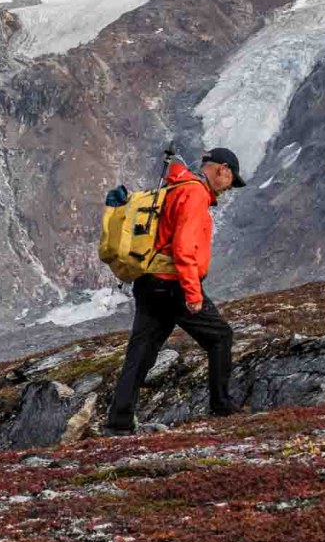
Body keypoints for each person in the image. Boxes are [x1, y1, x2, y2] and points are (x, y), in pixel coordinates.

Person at [103, 147, 245, 434]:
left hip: (148, 282)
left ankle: (119, 420)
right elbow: (183, 248)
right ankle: (222, 405)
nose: (228, 189)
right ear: (223, 170)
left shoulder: (175, 187)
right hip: (174, 284)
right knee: (220, 337)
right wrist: (192, 295)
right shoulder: (194, 194)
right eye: (231, 181)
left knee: (140, 352)